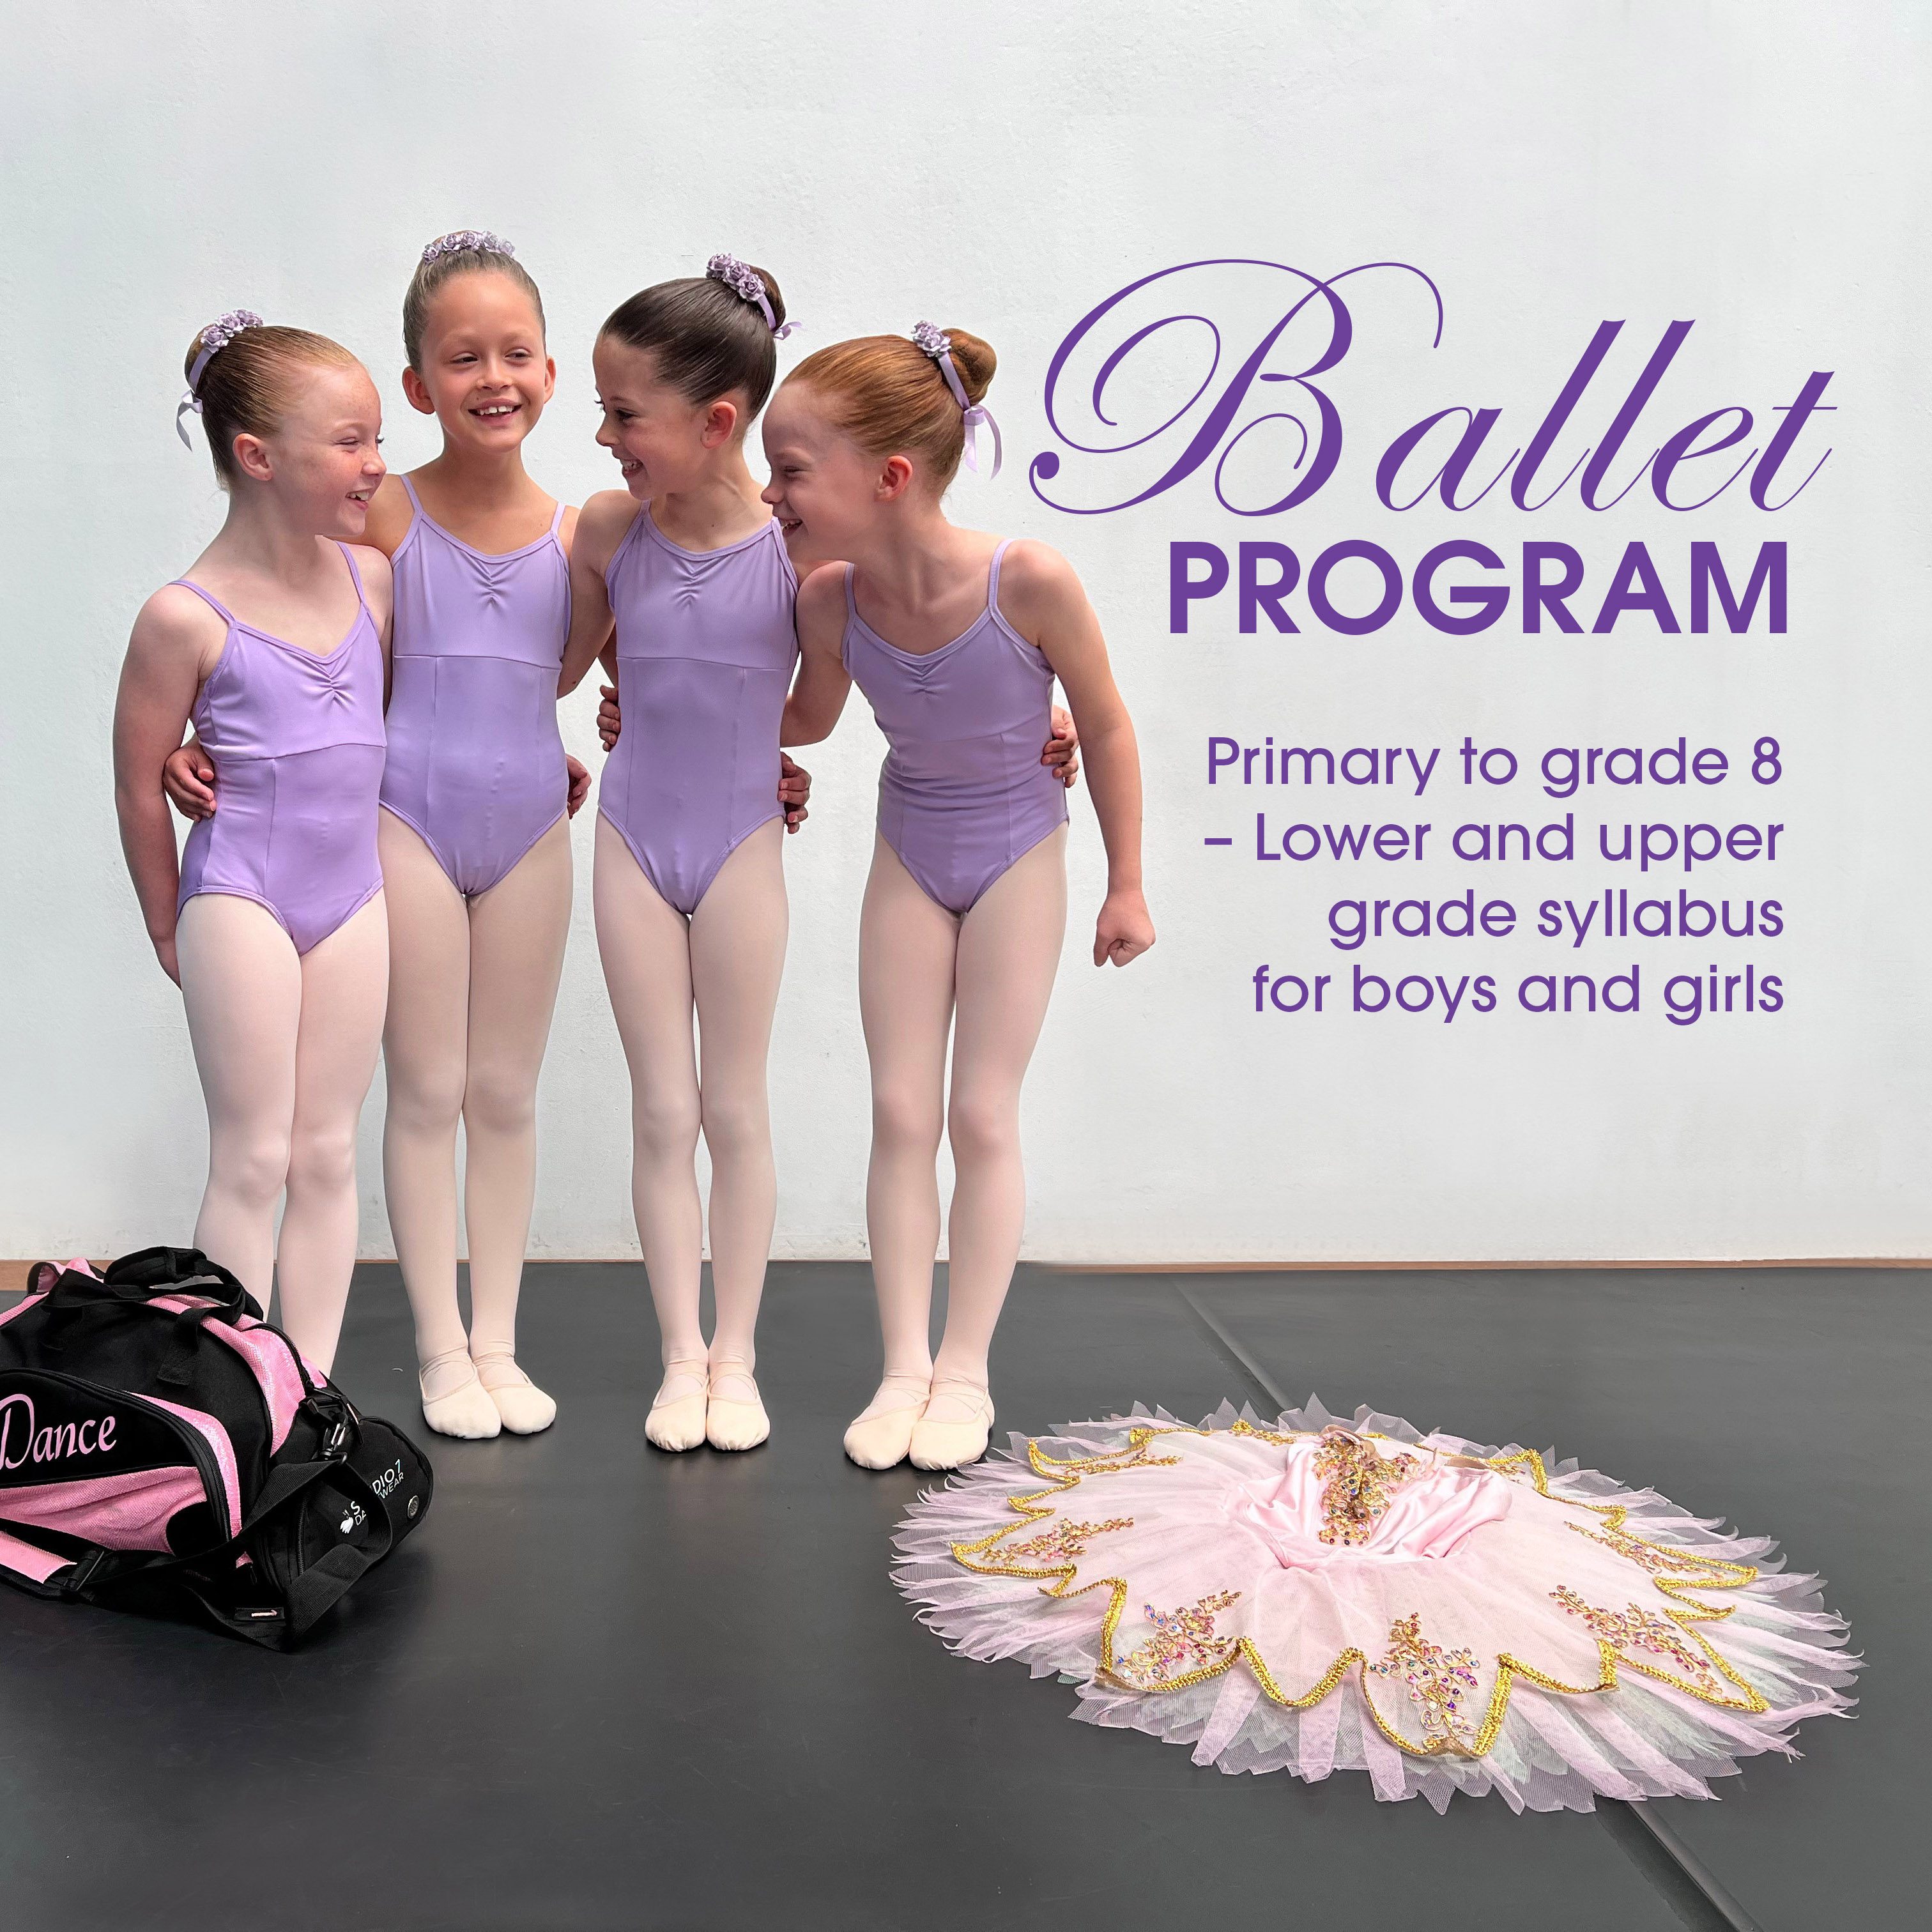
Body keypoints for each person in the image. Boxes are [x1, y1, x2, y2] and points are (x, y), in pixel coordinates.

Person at [167, 234, 592, 1438]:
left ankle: (497, 1340)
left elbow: (624, 669)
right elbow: (311, 654)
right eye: (463, 357)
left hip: (530, 827)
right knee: (425, 1089)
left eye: (516, 353)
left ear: (551, 370)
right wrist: (196, 742)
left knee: (503, 1091)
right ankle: (441, 1350)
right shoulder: (377, 512)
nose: (493, 377)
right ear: (418, 385)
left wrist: (762, 756)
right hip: (401, 827)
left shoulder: (585, 534)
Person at [763, 321, 1153, 1471]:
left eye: (791, 471)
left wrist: (1128, 884)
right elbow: (804, 720)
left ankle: (965, 1369)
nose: (771, 493)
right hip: (911, 853)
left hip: (1016, 853)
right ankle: (902, 1368)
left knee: (981, 1114)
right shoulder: (830, 600)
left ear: (888, 478)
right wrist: (666, 709)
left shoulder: (1025, 578)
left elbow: (1108, 724)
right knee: (900, 1112)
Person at [116, 312, 390, 1372]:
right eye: (351, 442)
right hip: (240, 896)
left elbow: (405, 720)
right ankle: (234, 1394)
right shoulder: (183, 617)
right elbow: (138, 783)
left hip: (354, 897)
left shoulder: (372, 581)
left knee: (326, 1151)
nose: (376, 464)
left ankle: (306, 1391)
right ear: (258, 456)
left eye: (375, 439)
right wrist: (166, 924)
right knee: (254, 1154)